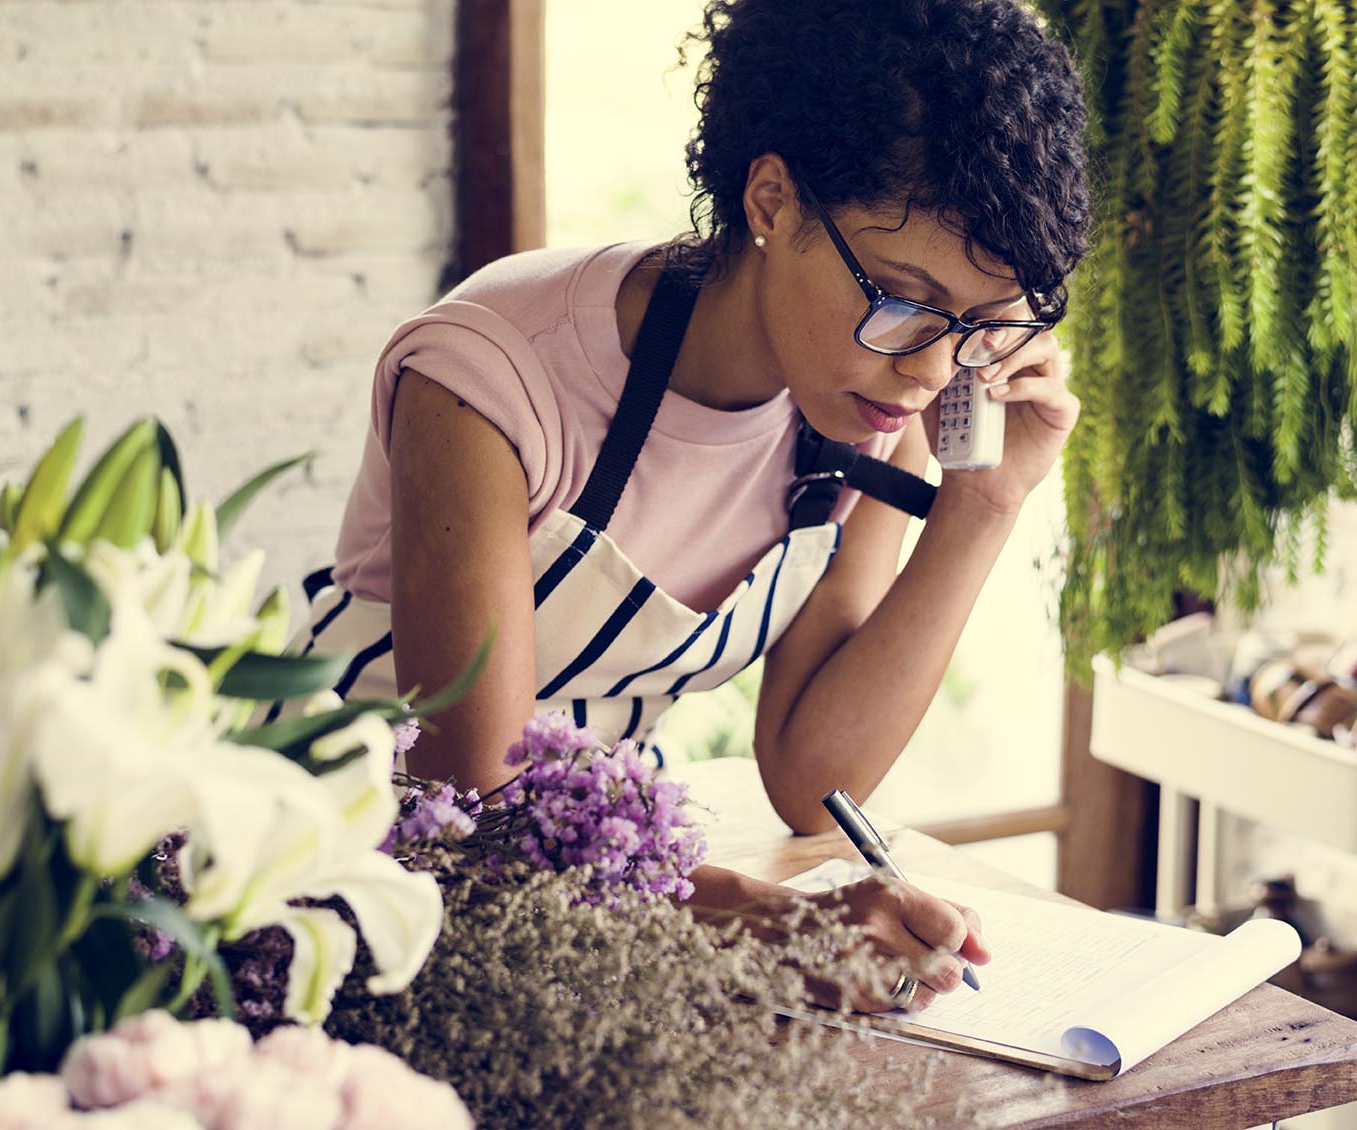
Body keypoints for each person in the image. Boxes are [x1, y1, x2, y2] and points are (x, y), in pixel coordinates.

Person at [299, 0, 1090, 1013]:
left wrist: (984, 500)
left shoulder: (868, 402)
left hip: (612, 920)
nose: (934, 369)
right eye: (900, 300)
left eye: (981, 326)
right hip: (360, 886)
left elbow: (814, 775)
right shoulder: (490, 378)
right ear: (772, 199)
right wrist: (767, 920)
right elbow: (477, 818)